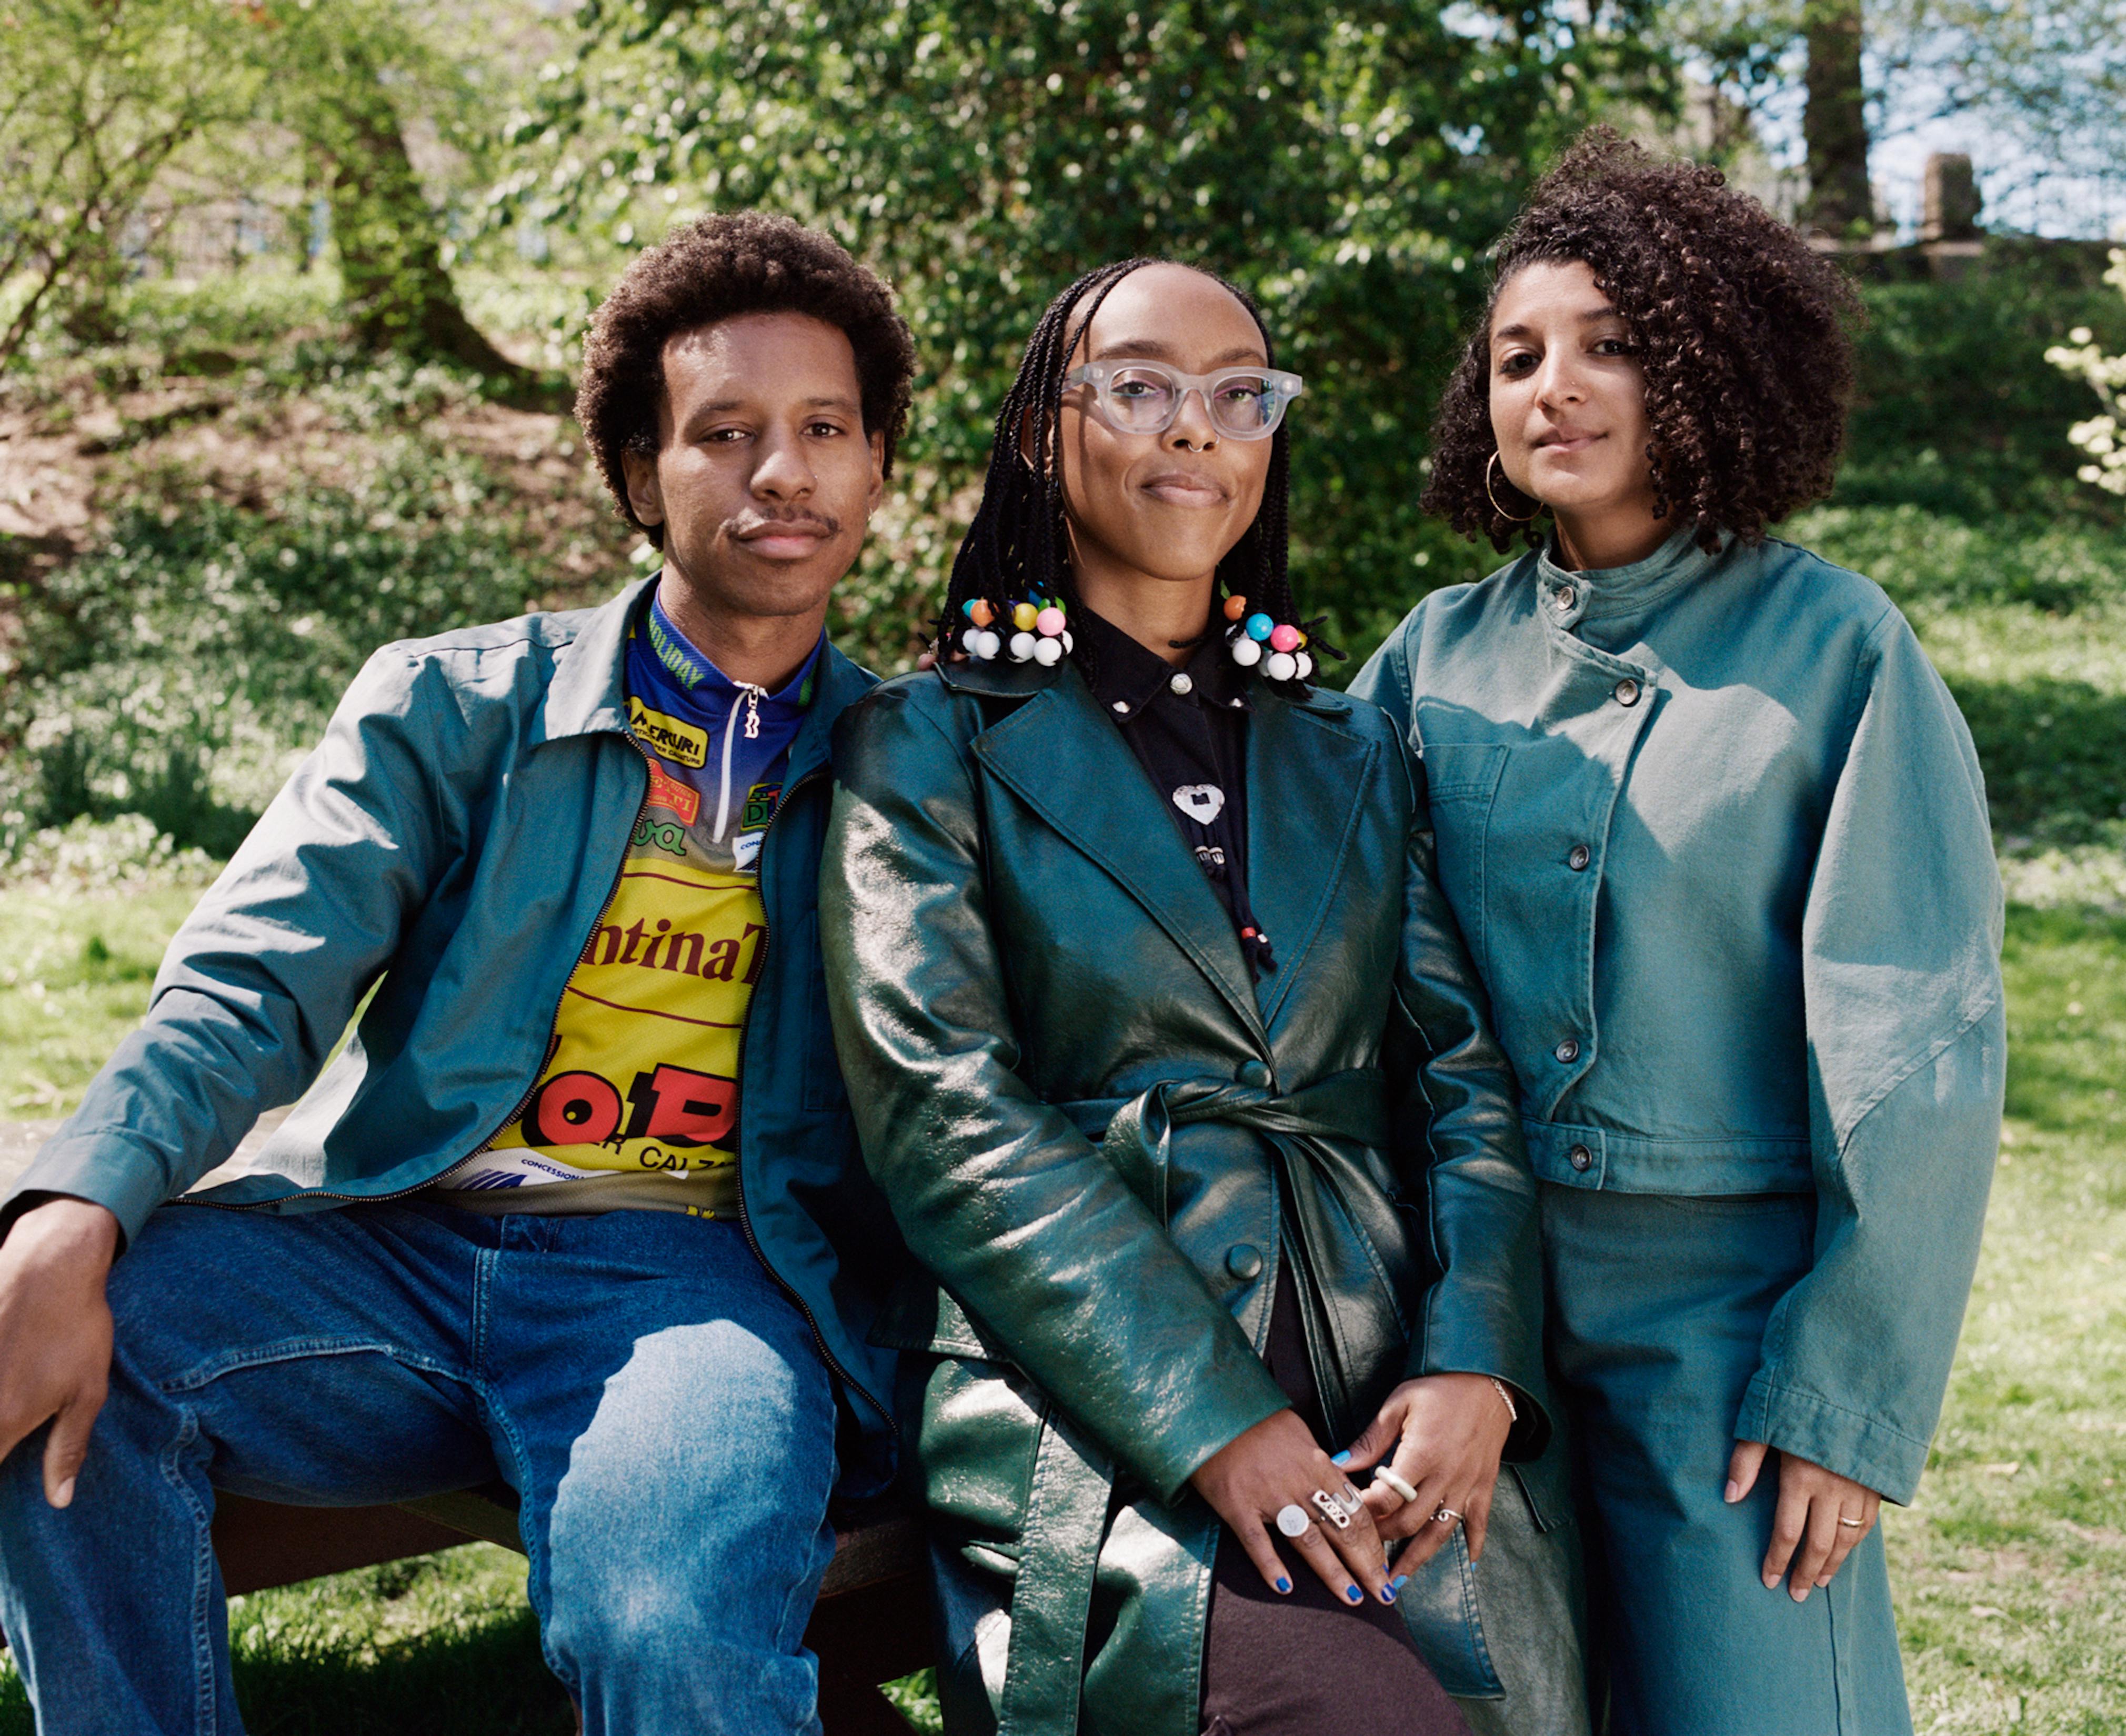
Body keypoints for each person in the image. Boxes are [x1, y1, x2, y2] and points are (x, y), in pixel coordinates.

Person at [0, 212, 916, 1735]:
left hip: (693, 1284)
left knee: (670, 1630)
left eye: (826, 428)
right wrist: (73, 1207)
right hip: (399, 1241)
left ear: (876, 464)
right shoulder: (454, 703)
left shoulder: (912, 764)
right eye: (725, 432)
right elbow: (249, 982)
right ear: (641, 472)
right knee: (45, 1371)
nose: (783, 471)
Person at [820, 257, 1587, 1736]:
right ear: (1048, 429)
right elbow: (946, 1118)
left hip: (1381, 1373)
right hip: (1099, 1398)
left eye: (1241, 394)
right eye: (1141, 386)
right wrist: (1217, 1422)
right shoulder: (926, 744)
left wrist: (1477, 1360)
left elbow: (1463, 1083)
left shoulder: (1354, 746)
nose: (1197, 427)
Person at [1348, 129, 2006, 1736]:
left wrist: (1840, 1398)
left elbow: (1914, 1045)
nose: (1553, 387)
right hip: (1467, 1315)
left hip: (1729, 1331)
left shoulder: (1839, 646)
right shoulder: (1431, 657)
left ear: (1706, 367)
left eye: (1611, 346)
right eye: (1517, 357)